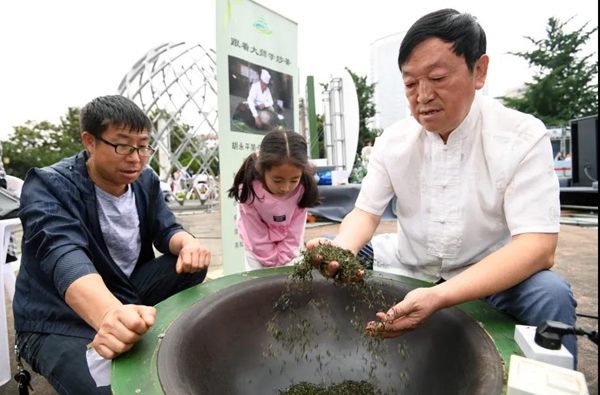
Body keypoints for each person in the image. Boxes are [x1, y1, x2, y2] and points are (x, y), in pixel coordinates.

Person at [307, 8, 578, 364]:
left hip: (490, 276)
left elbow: (538, 247)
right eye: (409, 83)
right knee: (322, 266)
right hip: (409, 265)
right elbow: (364, 213)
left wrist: (439, 296)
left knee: (551, 294)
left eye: (437, 78)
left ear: (478, 71)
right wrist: (340, 250)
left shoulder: (521, 136)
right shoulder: (393, 141)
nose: (422, 96)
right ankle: (330, 363)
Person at [13, 95, 211, 394]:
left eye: (143, 146)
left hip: (123, 291)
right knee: (111, 388)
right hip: (57, 315)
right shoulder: (49, 185)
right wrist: (107, 314)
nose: (135, 157)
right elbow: (63, 253)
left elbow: (166, 228)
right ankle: (113, 327)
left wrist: (188, 243)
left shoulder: (145, 182)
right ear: (89, 141)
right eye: (122, 145)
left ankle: (133, 323)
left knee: (190, 264)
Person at [227, 130, 320, 270]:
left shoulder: (302, 188)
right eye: (277, 180)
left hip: (288, 248)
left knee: (289, 283)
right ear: (260, 170)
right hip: (256, 249)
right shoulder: (249, 190)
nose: (285, 188)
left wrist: (282, 259)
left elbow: (295, 231)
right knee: (257, 286)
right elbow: (255, 233)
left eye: (294, 180)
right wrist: (271, 261)